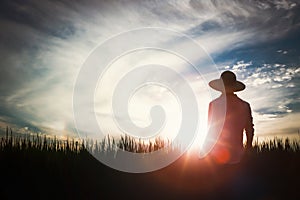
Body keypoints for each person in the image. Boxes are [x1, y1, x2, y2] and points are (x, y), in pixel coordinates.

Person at [202, 71, 254, 164]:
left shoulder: (213, 104)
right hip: (238, 156)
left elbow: (210, 130)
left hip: (216, 157)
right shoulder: (244, 105)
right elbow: (249, 130)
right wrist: (248, 149)